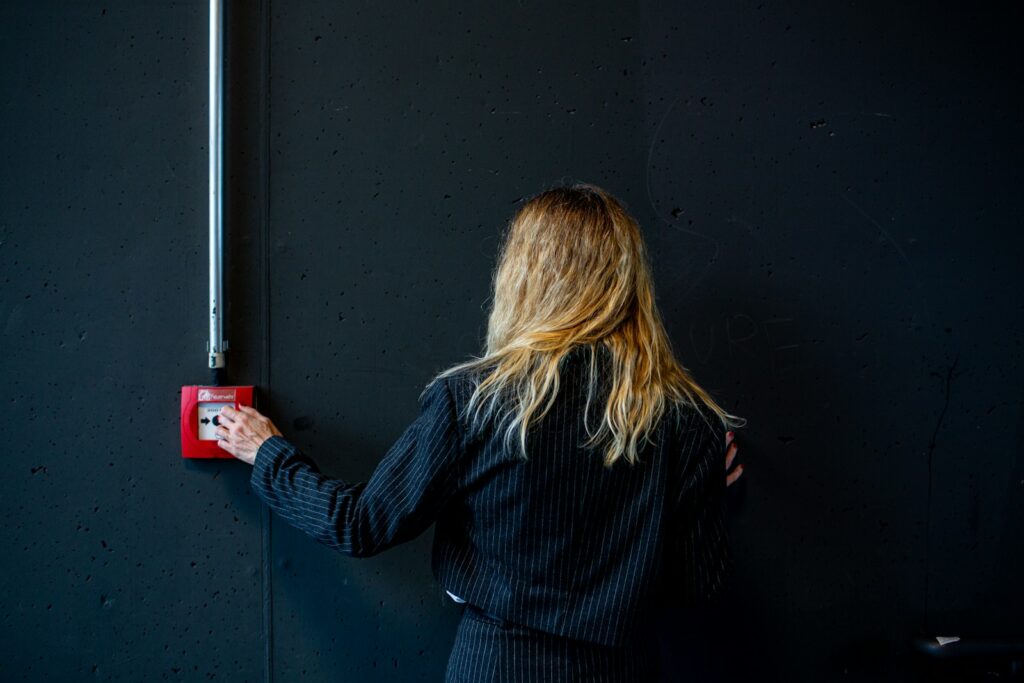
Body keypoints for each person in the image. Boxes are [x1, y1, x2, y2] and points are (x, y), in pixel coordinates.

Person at [213, 182, 747, 682]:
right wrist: (705, 496)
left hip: (497, 666)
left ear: (525, 274)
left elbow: (360, 525)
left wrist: (267, 453)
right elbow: (699, 587)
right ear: (631, 281)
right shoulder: (688, 420)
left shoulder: (475, 400)